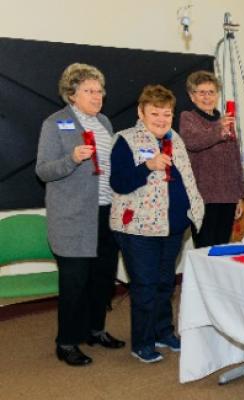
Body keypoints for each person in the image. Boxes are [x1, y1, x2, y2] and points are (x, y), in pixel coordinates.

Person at [35, 63, 125, 366]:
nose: (97, 96)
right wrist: (71, 159)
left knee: (102, 278)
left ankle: (95, 329)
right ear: (72, 94)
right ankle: (67, 341)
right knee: (74, 282)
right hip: (73, 218)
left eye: (99, 91)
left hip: (105, 213)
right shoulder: (55, 123)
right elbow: (43, 170)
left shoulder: (104, 122)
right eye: (89, 91)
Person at [110, 85, 204, 363]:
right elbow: (119, 182)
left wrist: (192, 210)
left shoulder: (175, 139)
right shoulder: (125, 140)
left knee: (165, 283)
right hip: (138, 229)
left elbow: (187, 178)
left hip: (173, 227)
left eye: (167, 114)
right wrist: (147, 166)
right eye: (155, 113)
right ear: (141, 112)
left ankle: (164, 331)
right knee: (145, 286)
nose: (162, 119)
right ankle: (143, 342)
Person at [179, 71, 244, 247]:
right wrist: (219, 130)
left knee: (221, 250)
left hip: (228, 197)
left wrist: (239, 195)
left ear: (217, 95)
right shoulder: (188, 117)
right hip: (202, 197)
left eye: (211, 92)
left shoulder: (225, 120)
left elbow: (235, 161)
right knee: (204, 249)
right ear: (192, 96)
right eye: (201, 92)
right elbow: (193, 141)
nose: (207, 97)